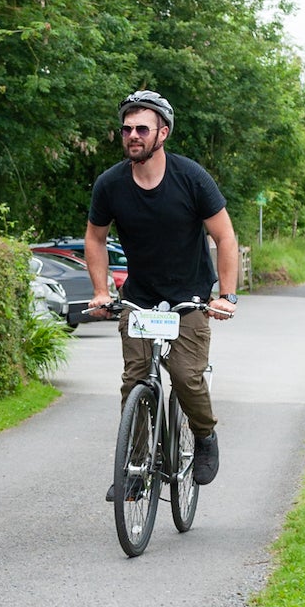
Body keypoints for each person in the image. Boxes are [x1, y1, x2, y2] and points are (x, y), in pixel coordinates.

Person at [85, 90, 239, 496]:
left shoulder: (191, 178)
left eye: (141, 129)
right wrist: (101, 291)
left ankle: (204, 436)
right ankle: (135, 468)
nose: (132, 135)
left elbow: (224, 237)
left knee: (187, 377)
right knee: (135, 381)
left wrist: (226, 295)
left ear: (163, 133)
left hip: (188, 299)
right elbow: (95, 238)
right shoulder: (110, 184)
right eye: (126, 129)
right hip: (139, 299)